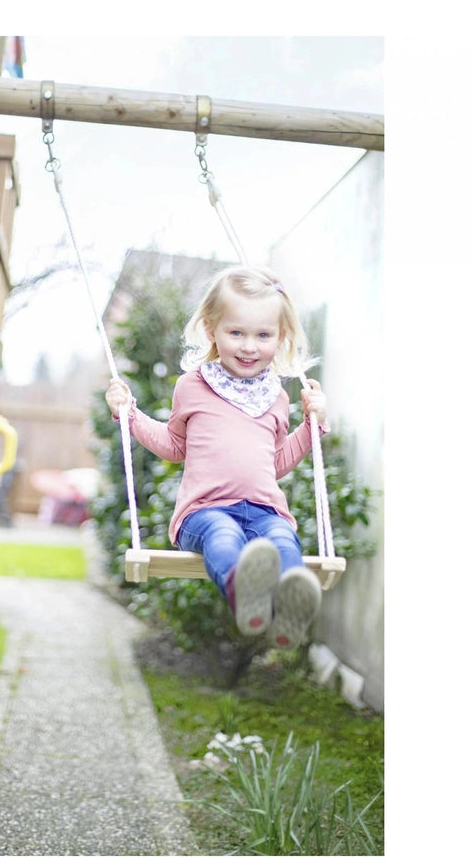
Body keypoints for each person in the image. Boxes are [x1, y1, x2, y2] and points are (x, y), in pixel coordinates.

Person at [105, 264, 330, 649]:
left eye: (262, 335)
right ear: (212, 329)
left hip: (264, 509)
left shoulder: (277, 396)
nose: (249, 346)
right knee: (224, 537)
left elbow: (274, 463)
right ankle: (247, 597)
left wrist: (312, 425)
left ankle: (286, 614)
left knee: (283, 539)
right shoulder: (192, 386)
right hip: (205, 511)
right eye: (236, 332)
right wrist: (129, 414)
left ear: (280, 337)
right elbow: (174, 445)